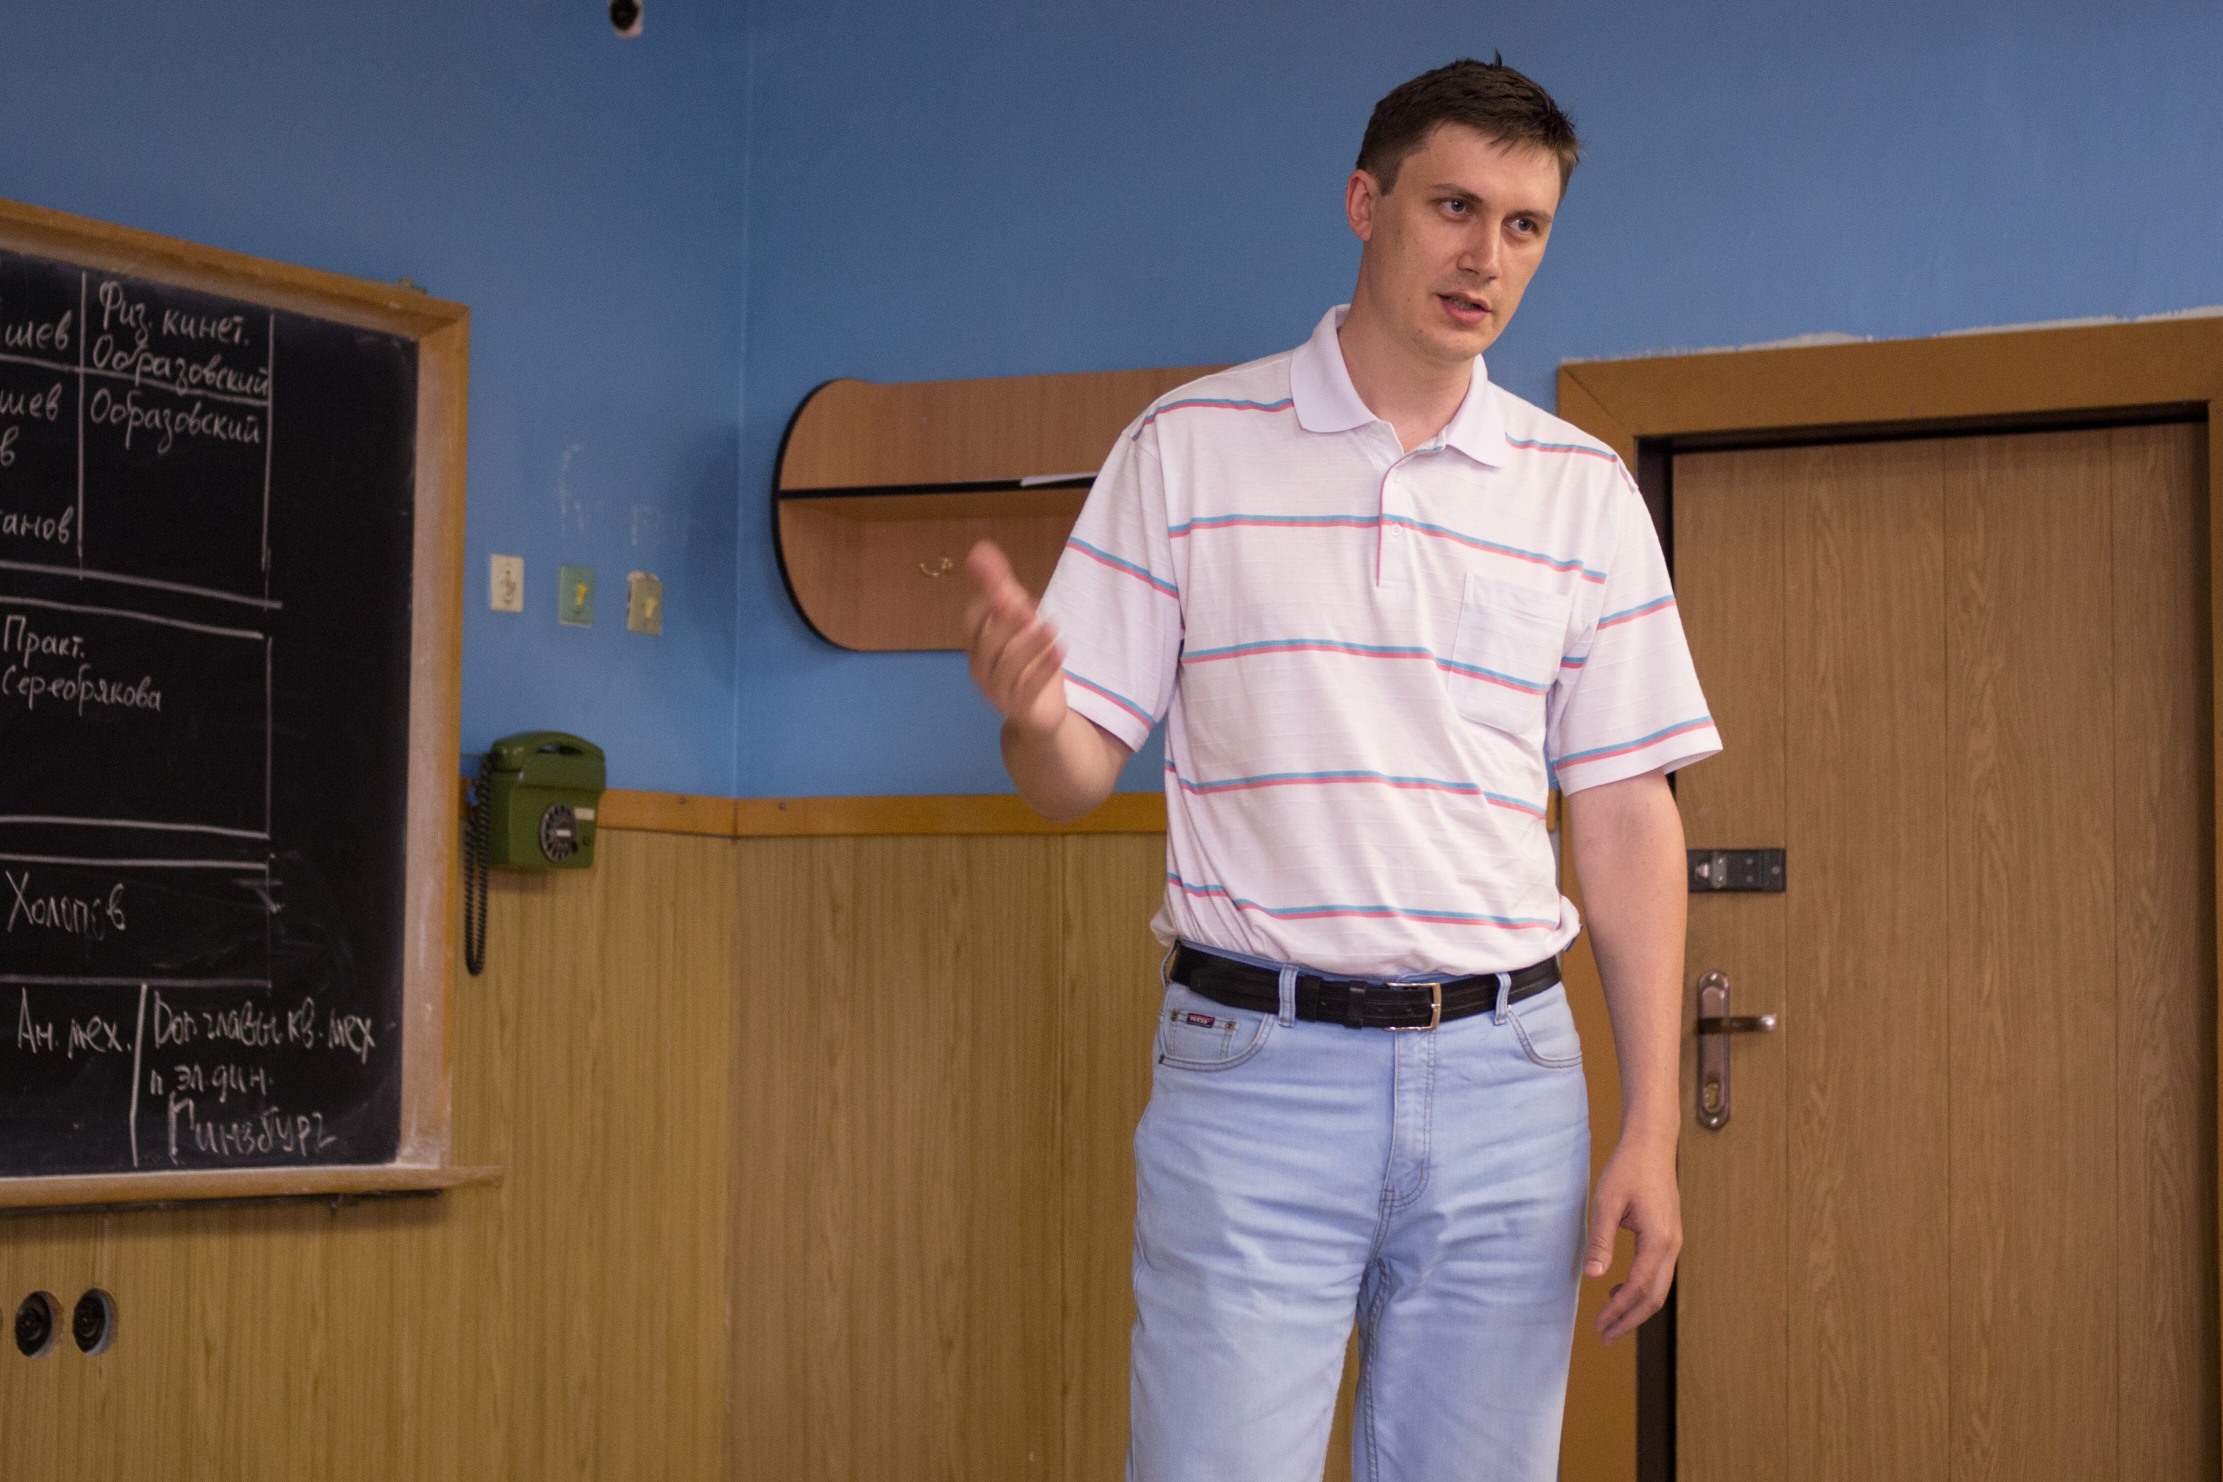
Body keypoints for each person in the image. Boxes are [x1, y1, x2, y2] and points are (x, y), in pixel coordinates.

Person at [963, 57, 1716, 1482]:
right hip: (1256, 1070)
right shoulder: (1186, 450)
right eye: (1454, 207)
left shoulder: (1584, 491)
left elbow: (1625, 816)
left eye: (1524, 226)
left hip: (1510, 1083)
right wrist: (1032, 710)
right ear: (1367, 203)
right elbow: (1068, 775)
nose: (1485, 257)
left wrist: (1653, 1129)